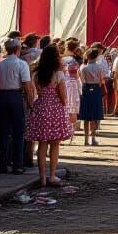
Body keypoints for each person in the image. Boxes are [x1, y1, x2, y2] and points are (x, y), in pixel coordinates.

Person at [25, 45, 73, 186]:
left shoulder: (36, 74)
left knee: (42, 144)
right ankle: (52, 175)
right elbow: (63, 95)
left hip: (40, 107)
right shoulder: (58, 74)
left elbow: (34, 93)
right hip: (55, 108)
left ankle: (42, 177)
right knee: (55, 143)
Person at [0, 36, 35, 175]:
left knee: (3, 131)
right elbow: (27, 84)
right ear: (17, 49)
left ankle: (2, 164)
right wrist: (30, 101)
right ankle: (17, 165)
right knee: (18, 132)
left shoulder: (0, 64)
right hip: (16, 96)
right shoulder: (21, 64)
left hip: (2, 97)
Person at [78, 47, 106, 146]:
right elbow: (102, 79)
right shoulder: (100, 67)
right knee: (95, 116)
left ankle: (86, 139)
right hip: (96, 89)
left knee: (86, 116)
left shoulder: (83, 67)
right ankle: (93, 138)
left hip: (86, 89)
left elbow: (81, 79)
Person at [62, 41, 83, 141]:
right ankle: (70, 132)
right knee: (73, 109)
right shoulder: (74, 61)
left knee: (64, 107)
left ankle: (64, 130)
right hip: (72, 85)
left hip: (62, 84)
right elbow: (75, 75)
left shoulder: (61, 59)